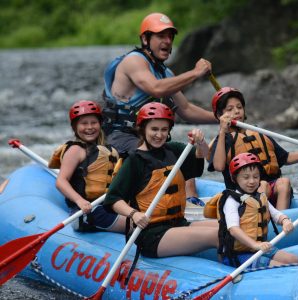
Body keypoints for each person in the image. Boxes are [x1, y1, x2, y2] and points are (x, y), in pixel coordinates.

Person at [101, 12, 215, 204]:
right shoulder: (134, 61)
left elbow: (185, 109)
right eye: (161, 36)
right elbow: (154, 88)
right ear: (145, 39)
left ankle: (192, 200)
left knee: (183, 153)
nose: (167, 41)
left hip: (148, 136)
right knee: (156, 155)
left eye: (170, 36)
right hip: (119, 135)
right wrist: (195, 73)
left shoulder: (165, 72)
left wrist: (220, 117)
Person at [104, 102, 217, 258]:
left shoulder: (174, 150)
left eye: (164, 129)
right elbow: (113, 199)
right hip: (152, 234)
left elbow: (202, 154)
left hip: (178, 223)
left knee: (229, 227)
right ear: (143, 129)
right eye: (154, 129)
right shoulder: (134, 161)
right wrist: (134, 214)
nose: (159, 135)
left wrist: (201, 142)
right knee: (215, 235)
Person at [208, 87, 298, 210]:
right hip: (242, 195)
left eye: (239, 107)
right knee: (263, 186)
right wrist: (222, 131)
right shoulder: (223, 138)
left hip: (270, 189)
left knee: (284, 182)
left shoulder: (258, 132)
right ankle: (259, 221)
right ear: (219, 115)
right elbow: (218, 166)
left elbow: (285, 158)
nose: (237, 111)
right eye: (230, 109)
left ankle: (282, 219)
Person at [50, 100, 126, 233]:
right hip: (88, 210)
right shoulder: (76, 150)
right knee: (138, 225)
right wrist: (80, 201)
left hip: (107, 205)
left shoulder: (109, 150)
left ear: (100, 124)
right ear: (75, 127)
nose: (89, 127)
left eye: (93, 122)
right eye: (84, 123)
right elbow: (61, 181)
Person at [217, 153, 298, 267]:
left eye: (256, 177)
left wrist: (285, 220)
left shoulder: (260, 197)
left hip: (259, 248)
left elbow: (276, 214)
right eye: (246, 177)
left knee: (294, 260)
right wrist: (255, 244)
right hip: (238, 254)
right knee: (279, 267)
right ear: (234, 178)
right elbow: (233, 230)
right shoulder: (232, 201)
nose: (252, 181)